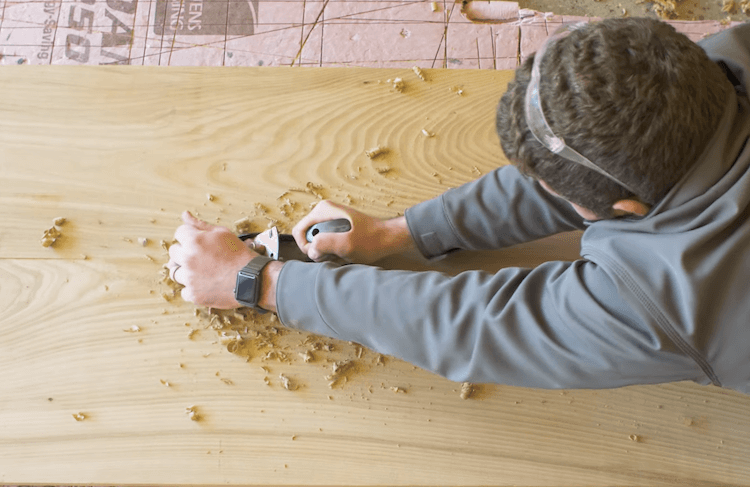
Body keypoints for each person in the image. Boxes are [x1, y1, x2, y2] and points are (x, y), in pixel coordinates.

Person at [167, 18, 750, 394]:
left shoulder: (681, 301)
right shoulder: (717, 62)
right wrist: (407, 232)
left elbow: (478, 328)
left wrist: (259, 284)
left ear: (627, 205)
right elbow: (593, 153)